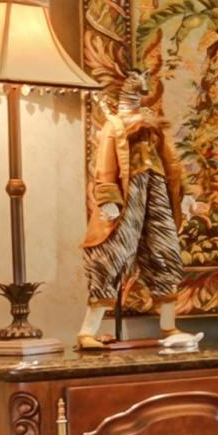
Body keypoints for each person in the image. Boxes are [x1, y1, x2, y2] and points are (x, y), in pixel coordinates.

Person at [78, 74, 197, 347]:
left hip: (155, 190)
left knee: (164, 250)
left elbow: (172, 163)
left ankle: (169, 327)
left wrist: (185, 194)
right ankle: (87, 332)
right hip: (129, 193)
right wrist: (107, 196)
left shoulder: (154, 128)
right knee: (112, 254)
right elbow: (105, 165)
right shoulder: (116, 127)